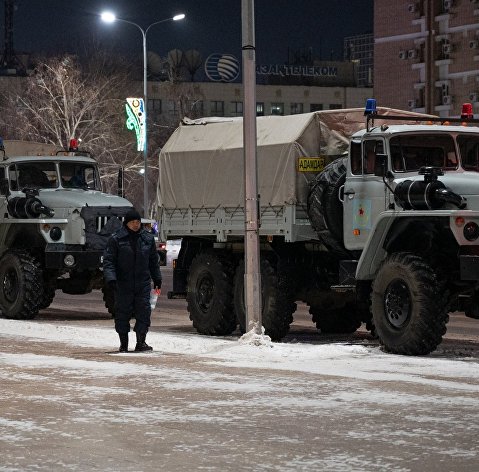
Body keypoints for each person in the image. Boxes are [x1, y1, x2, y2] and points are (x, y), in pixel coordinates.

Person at [103, 208, 162, 352]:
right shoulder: (116, 239)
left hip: (142, 284)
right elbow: (109, 261)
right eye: (133, 222)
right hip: (123, 284)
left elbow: (153, 262)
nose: (136, 225)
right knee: (122, 313)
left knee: (144, 312)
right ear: (127, 223)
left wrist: (157, 278)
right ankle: (123, 344)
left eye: (138, 222)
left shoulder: (147, 239)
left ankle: (141, 342)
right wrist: (111, 279)